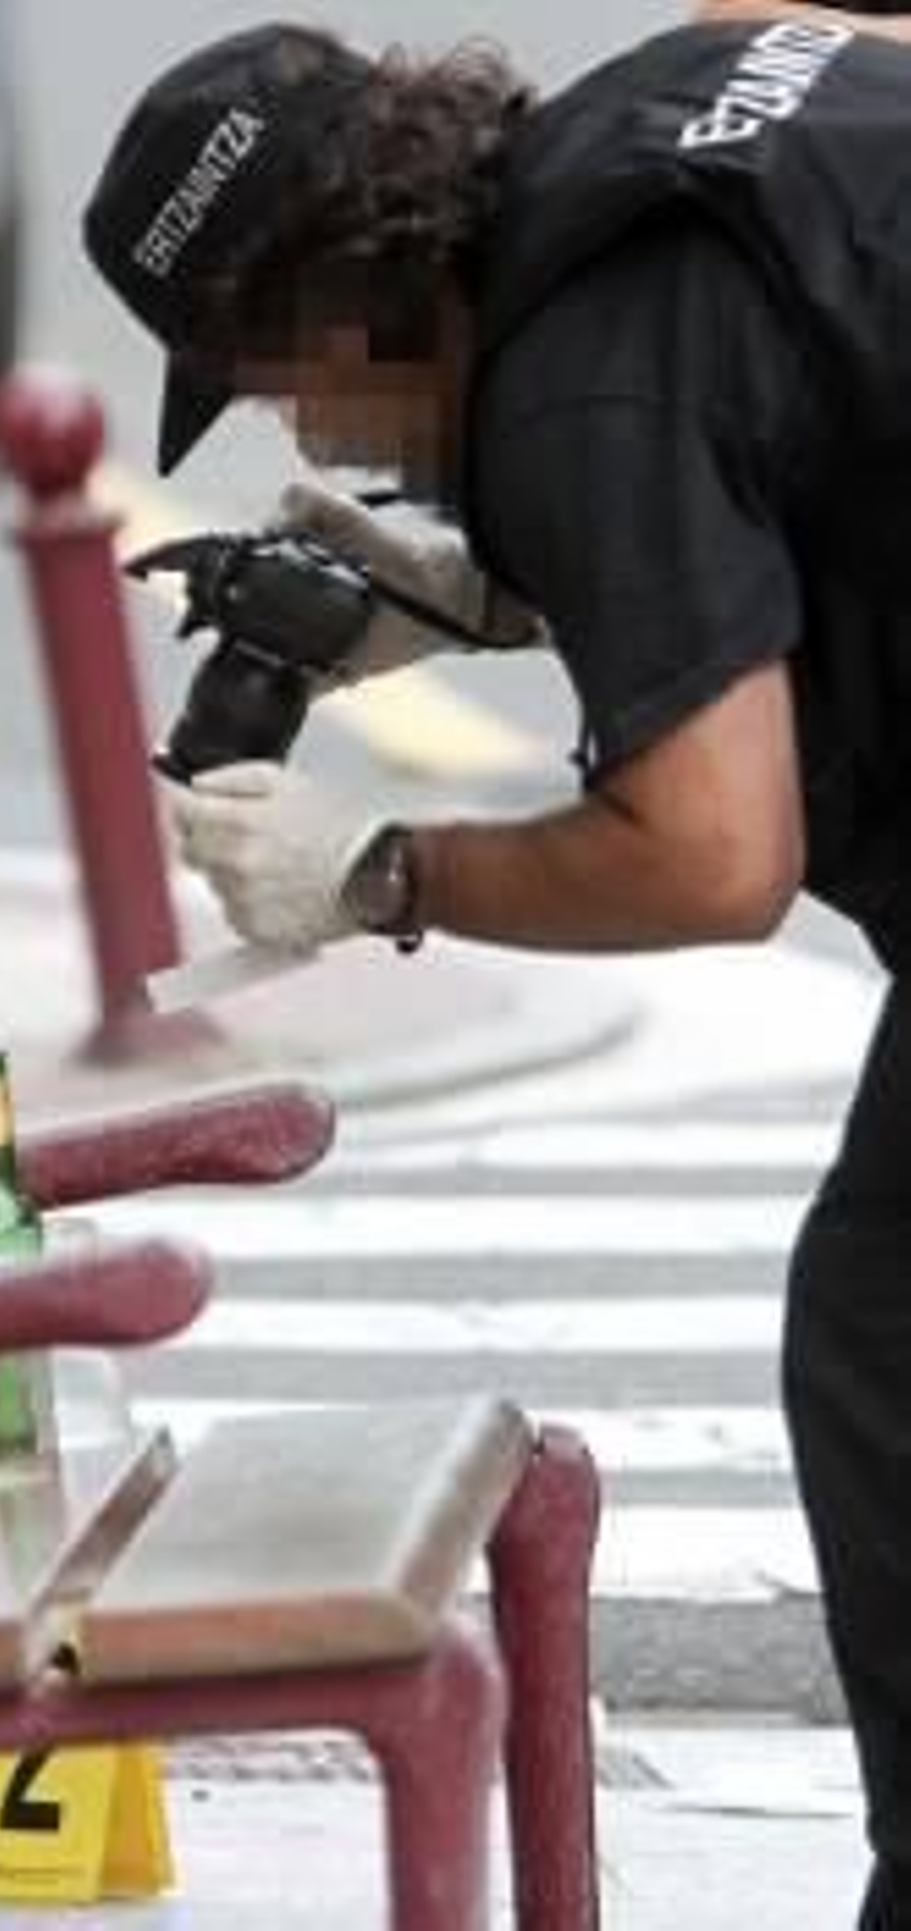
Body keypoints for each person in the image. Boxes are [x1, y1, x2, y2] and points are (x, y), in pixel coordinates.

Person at [83, 8, 911, 1927]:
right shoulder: (673, 98)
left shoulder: (580, 392)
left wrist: (379, 873)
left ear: (339, 308)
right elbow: (816, 398)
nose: (310, 441)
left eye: (276, 387)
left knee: (886, 1343)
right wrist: (514, 587)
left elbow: (714, 858)